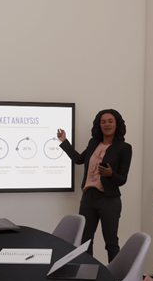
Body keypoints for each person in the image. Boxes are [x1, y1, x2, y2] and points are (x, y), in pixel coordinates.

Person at [56, 109, 132, 262]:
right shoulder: (93, 143)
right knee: (84, 241)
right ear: (99, 125)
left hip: (109, 199)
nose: (106, 124)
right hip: (88, 198)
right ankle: (86, 272)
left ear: (117, 124)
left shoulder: (124, 148)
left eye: (110, 121)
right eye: (103, 122)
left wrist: (110, 174)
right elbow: (78, 159)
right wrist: (64, 141)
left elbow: (122, 179)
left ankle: (114, 275)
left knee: (111, 242)